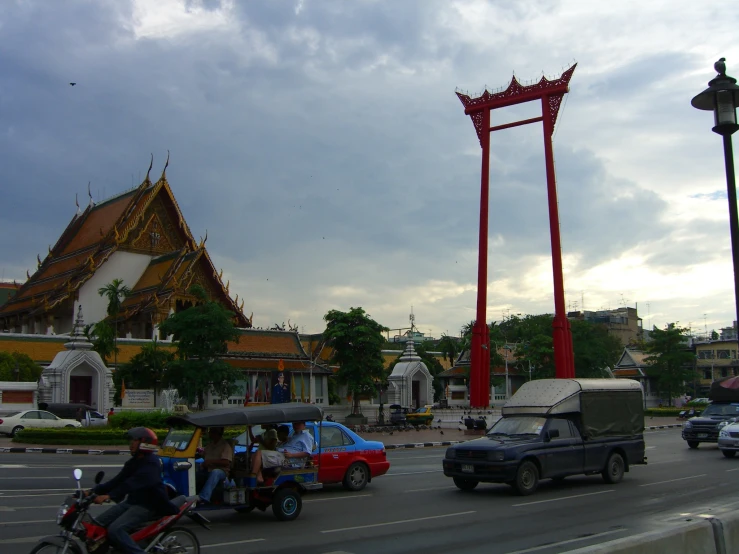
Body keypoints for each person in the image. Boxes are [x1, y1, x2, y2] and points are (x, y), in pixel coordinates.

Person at [90, 427, 178, 554]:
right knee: (97, 524)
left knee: (116, 530)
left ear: (145, 443)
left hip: (148, 505)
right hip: (131, 502)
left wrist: (108, 496)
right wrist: (91, 491)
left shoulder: (151, 463)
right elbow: (116, 481)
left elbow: (131, 484)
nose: (131, 443)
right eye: (131, 440)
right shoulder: (133, 462)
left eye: (135, 440)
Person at [197, 427, 233, 503]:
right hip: (208, 470)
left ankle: (204, 497)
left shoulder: (225, 446)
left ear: (217, 433)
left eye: (212, 432)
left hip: (222, 472)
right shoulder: (209, 446)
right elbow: (203, 455)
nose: (209, 434)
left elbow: (226, 462)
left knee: (215, 472)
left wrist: (211, 462)